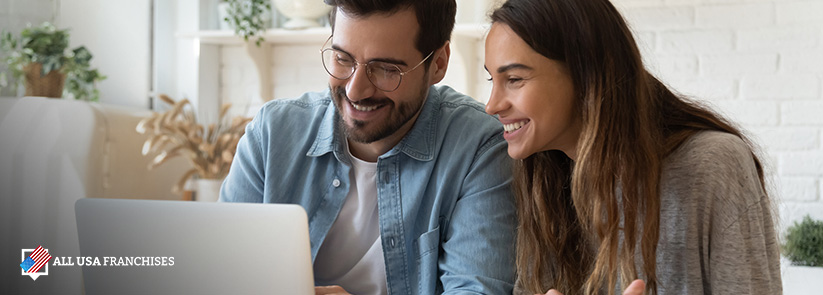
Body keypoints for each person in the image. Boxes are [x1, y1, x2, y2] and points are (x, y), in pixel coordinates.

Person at [482, 0, 782, 294]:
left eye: (514, 79)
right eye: (491, 79)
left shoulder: (713, 165)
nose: (492, 105)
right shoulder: (544, 179)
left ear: (586, 74)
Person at [220, 0, 517, 294]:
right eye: (342, 59)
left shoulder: (478, 147)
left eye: (386, 69)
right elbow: (221, 271)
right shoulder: (272, 134)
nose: (355, 90)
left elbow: (476, 290)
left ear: (438, 64)